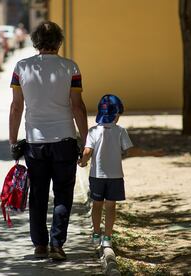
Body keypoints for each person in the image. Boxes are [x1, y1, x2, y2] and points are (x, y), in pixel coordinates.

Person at [8, 21, 88, 261]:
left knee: (38, 194)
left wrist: (13, 141)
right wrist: (85, 141)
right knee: (63, 193)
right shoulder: (70, 68)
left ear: (35, 42)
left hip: (35, 142)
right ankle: (57, 243)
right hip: (64, 140)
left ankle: (40, 245)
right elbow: (78, 107)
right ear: (59, 41)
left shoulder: (22, 68)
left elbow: (16, 107)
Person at [78, 94, 133, 248]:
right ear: (116, 114)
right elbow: (128, 150)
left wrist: (82, 162)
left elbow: (88, 151)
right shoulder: (121, 131)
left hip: (97, 176)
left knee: (96, 205)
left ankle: (96, 233)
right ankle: (107, 237)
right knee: (110, 206)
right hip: (115, 176)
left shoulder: (93, 131)